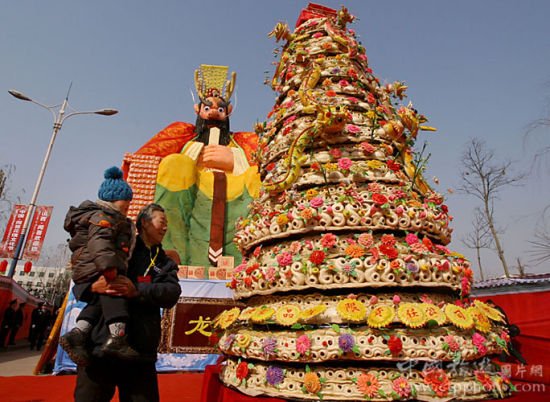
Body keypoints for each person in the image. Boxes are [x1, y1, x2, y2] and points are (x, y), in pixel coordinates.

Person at [128, 64, 260, 267]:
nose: (214, 114)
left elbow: (269, 163)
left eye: (220, 109)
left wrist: (235, 158)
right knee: (175, 164)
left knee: (255, 175)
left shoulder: (244, 142)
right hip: (191, 201)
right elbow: (150, 158)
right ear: (197, 110)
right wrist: (195, 155)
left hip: (234, 205)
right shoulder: (182, 135)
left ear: (229, 112)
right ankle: (167, 259)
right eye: (207, 108)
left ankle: (252, 263)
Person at [73, 203, 181, 402]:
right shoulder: (117, 248)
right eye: (162, 222)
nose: (165, 228)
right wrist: (91, 287)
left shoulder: (164, 262)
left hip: (140, 351)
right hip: (99, 347)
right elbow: (79, 282)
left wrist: (137, 290)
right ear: (145, 223)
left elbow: (172, 292)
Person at [60, 166, 138, 365]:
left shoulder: (108, 217)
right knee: (115, 292)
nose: (128, 208)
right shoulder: (103, 218)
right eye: (126, 204)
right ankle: (117, 337)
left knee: (97, 303)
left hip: (93, 267)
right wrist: (108, 267)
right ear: (112, 200)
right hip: (96, 267)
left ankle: (78, 333)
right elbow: (100, 244)